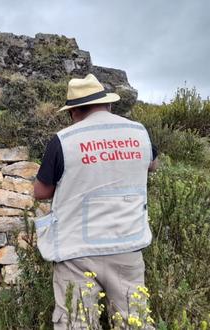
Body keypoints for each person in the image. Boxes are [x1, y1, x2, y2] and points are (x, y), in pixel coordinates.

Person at [33, 74, 158, 329]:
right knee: (133, 321)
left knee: (76, 322)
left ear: (75, 111)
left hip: (76, 250)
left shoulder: (63, 140)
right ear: (107, 104)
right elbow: (151, 164)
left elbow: (41, 191)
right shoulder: (138, 132)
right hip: (127, 244)